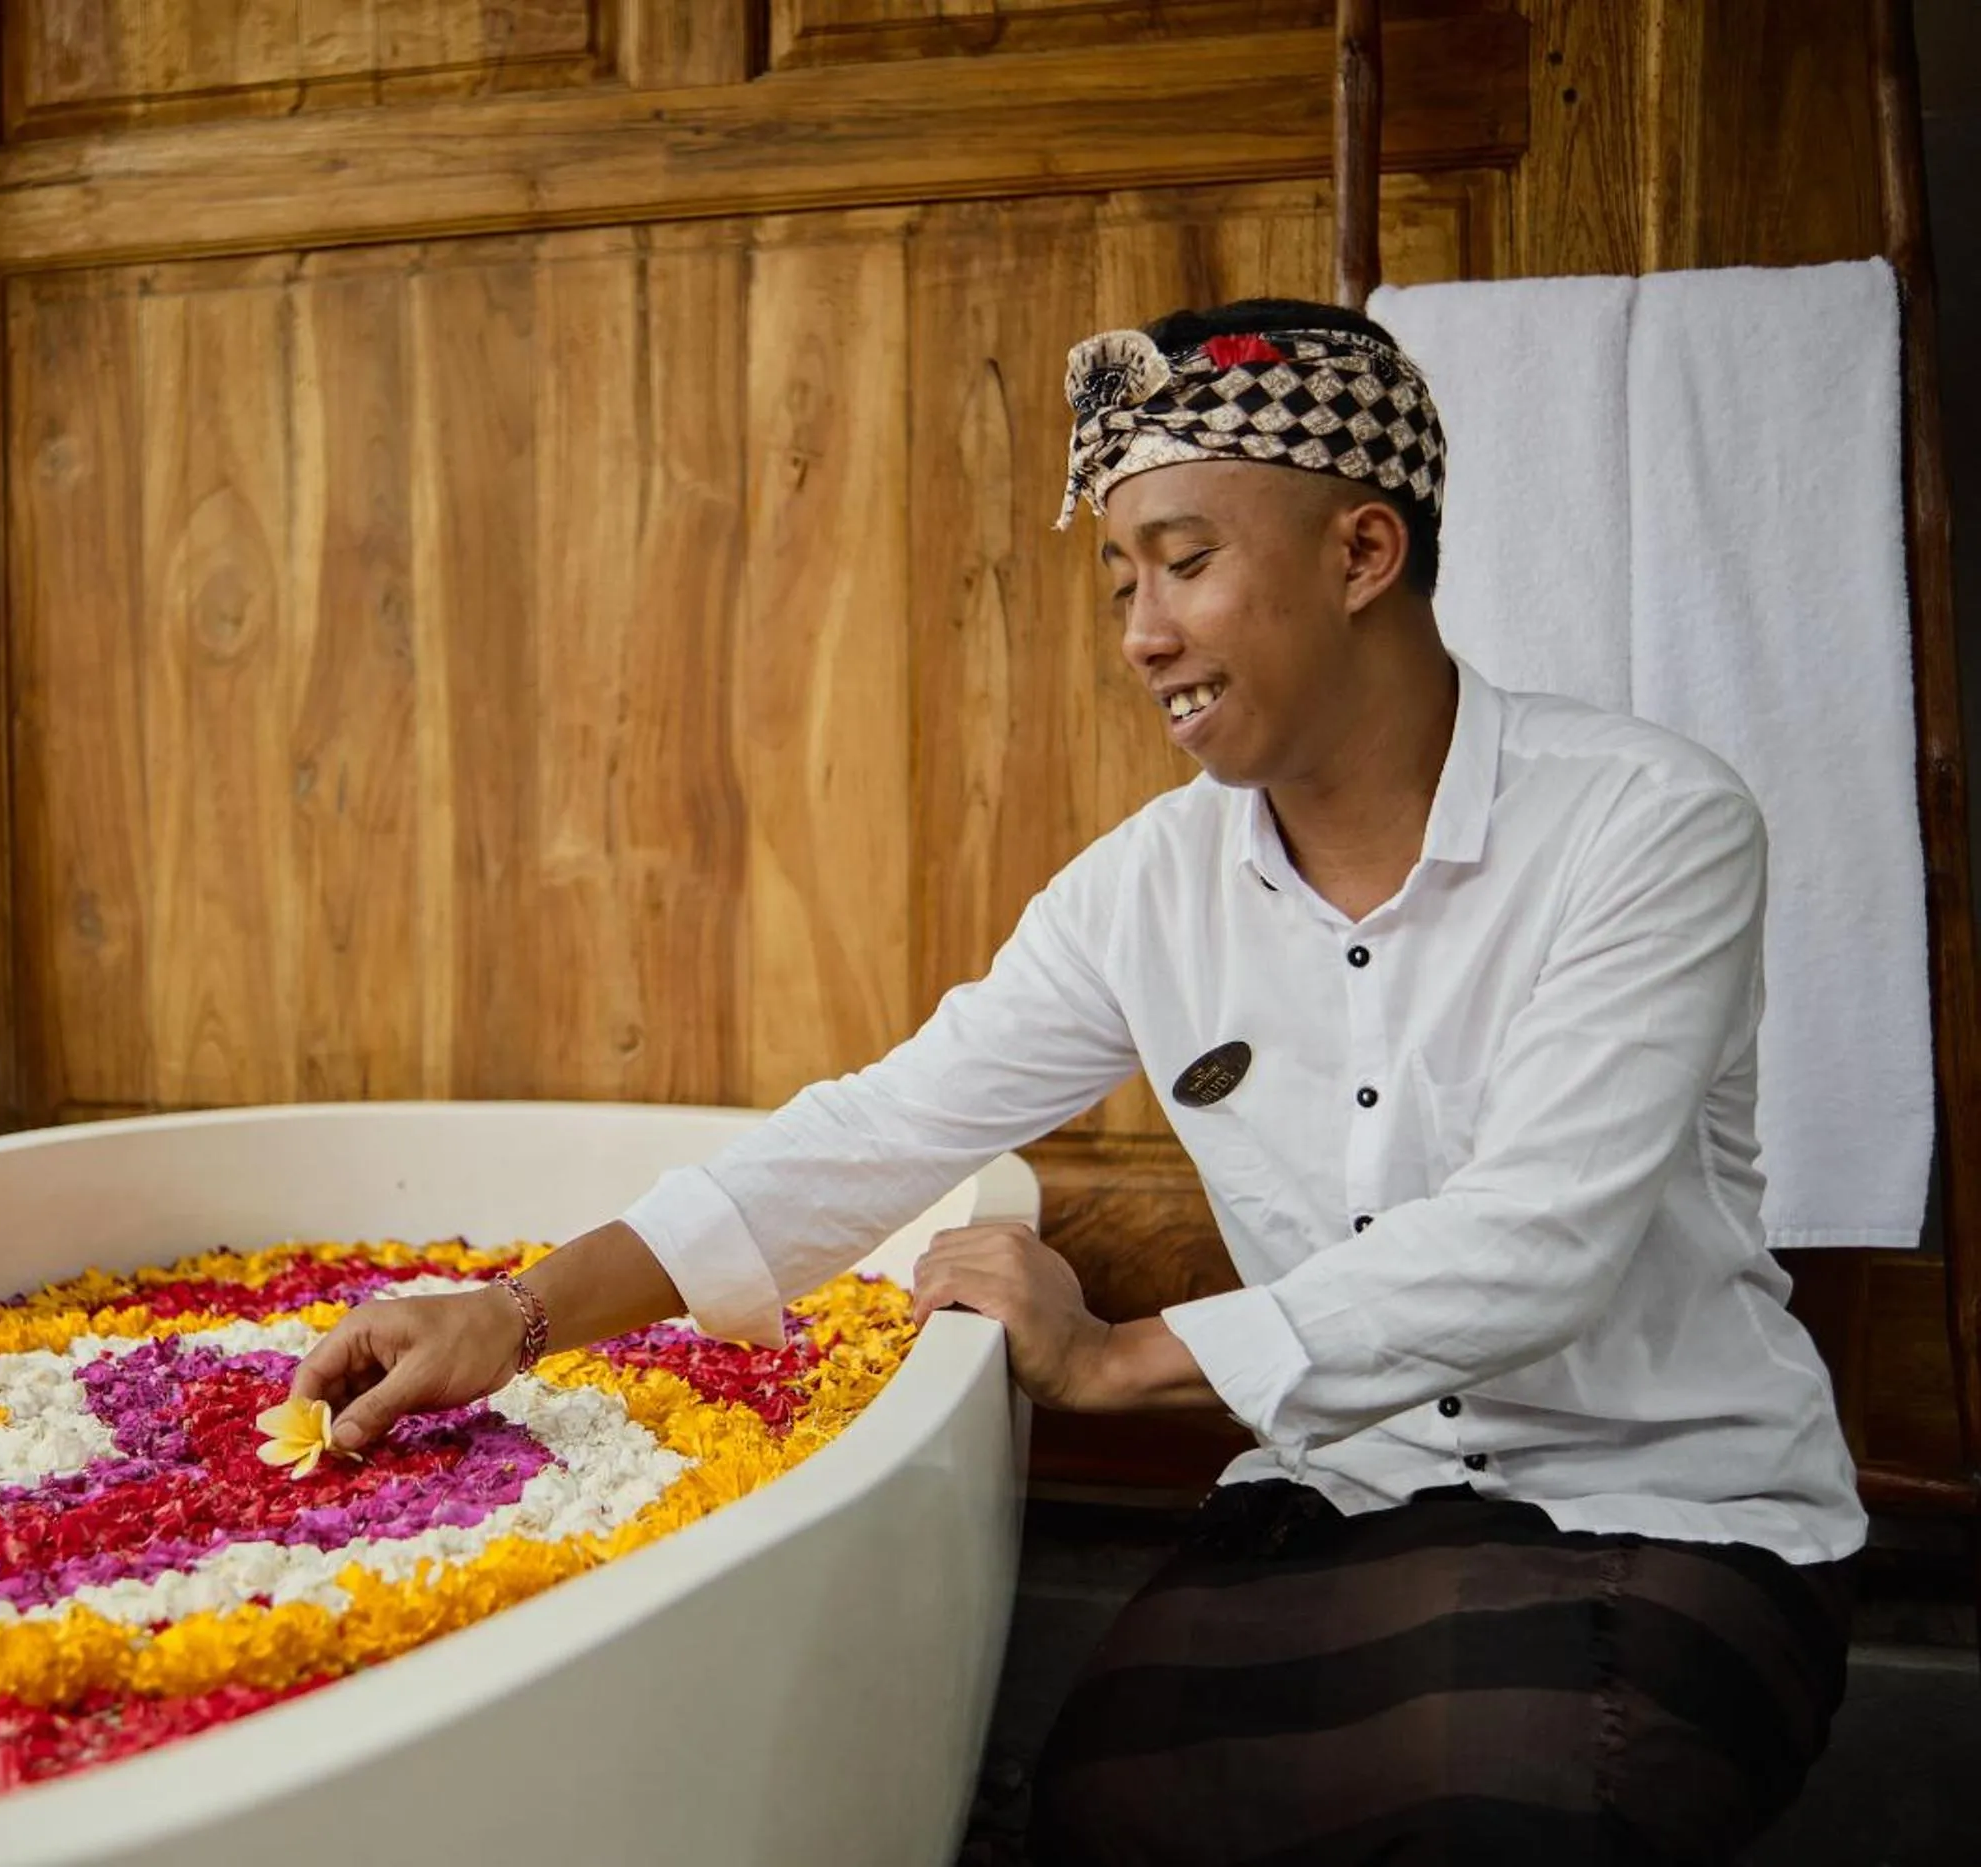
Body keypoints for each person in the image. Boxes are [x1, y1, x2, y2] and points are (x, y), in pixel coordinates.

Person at [288, 297, 1863, 1865]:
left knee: (1513, 1818)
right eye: (1120, 578)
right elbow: (889, 1124)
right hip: (1345, 1496)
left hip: (1670, 1504)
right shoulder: (1142, 890)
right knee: (1104, 1817)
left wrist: (1110, 1360)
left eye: (1187, 560)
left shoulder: (1649, 826)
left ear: (1363, 554)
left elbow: (1540, 1239)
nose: (1141, 633)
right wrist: (514, 1312)